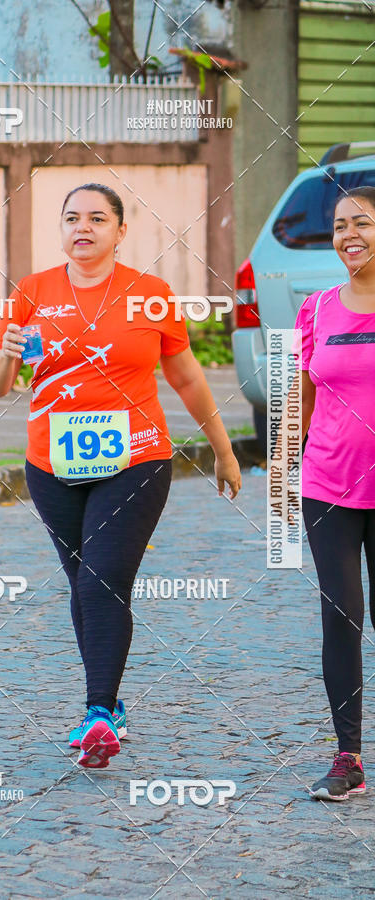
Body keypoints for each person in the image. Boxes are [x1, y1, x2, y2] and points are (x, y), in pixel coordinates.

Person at [0, 182, 242, 768]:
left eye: (98, 218)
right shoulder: (33, 292)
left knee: (99, 576)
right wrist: (5, 352)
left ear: (121, 231)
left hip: (139, 459)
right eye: (72, 217)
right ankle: (112, 704)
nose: (84, 228)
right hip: (51, 465)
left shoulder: (151, 296)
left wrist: (222, 451)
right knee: (88, 584)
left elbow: (189, 379)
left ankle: (98, 712)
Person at [294, 186, 375, 800]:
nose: (351, 235)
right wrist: (282, 478)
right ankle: (347, 756)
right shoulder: (316, 309)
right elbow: (301, 399)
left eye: (364, 223)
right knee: (341, 616)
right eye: (341, 225)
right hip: (328, 488)